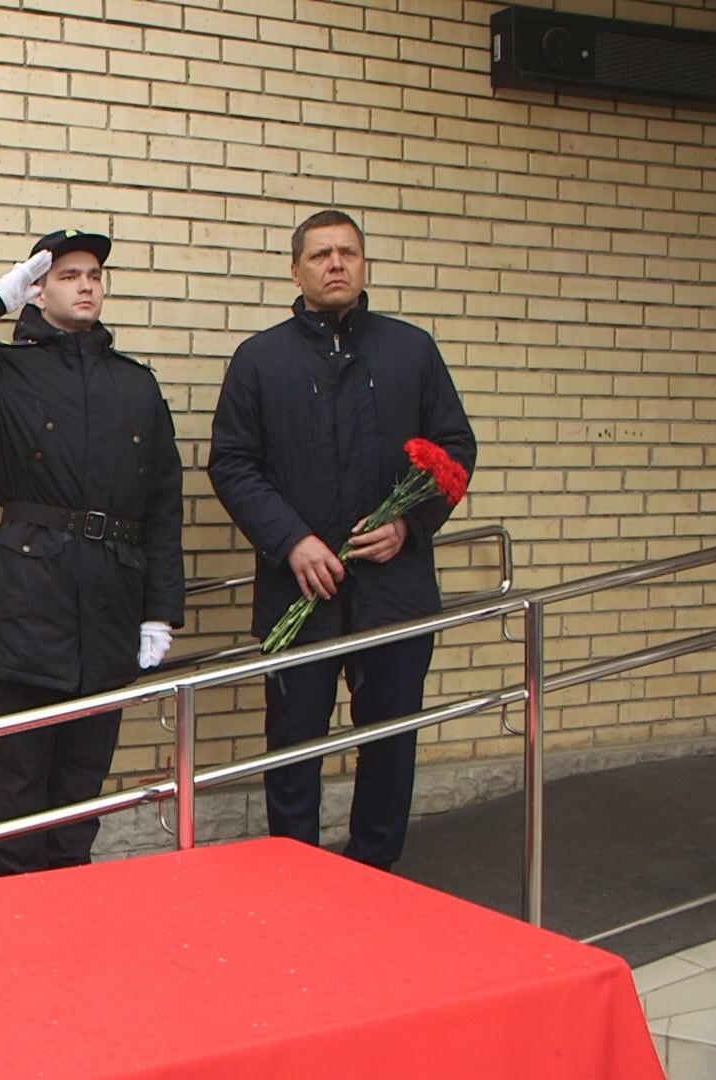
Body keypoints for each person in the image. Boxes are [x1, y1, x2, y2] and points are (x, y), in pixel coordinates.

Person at [0, 229, 185, 877]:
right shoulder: (1, 373)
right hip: (31, 594)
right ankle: (15, 902)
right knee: (24, 768)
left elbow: (164, 500)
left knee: (85, 768)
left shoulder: (133, 385)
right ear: (39, 288)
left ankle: (69, 903)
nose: (87, 285)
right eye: (69, 275)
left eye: (95, 276)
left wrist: (159, 610)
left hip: (112, 595)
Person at [208, 209, 476, 871]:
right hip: (299, 590)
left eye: (348, 253)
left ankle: (375, 874)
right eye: (321, 254)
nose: (336, 264)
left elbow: (456, 449)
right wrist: (291, 541)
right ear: (294, 269)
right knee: (294, 746)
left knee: (389, 746)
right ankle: (296, 877)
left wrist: (410, 524)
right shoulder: (260, 359)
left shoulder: (410, 350)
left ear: (363, 265)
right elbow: (233, 463)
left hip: (395, 592)